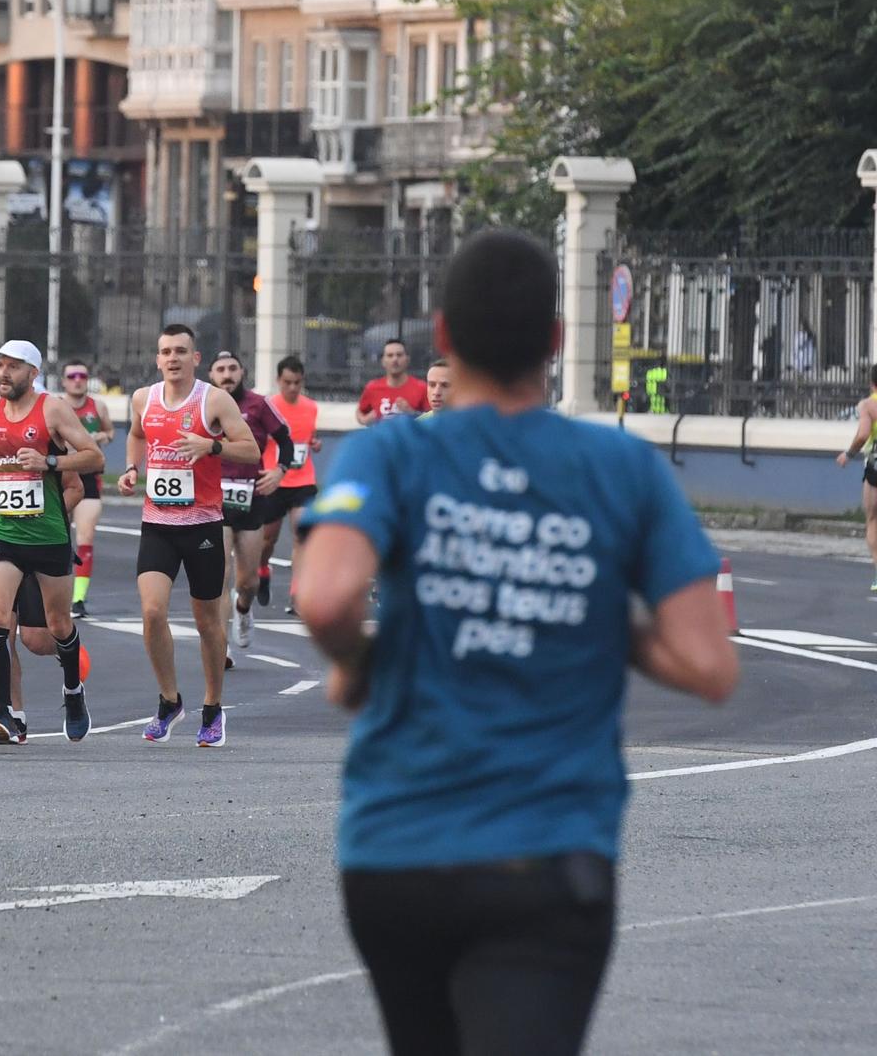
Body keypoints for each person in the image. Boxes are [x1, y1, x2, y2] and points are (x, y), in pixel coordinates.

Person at [299, 230, 738, 1056]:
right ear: (559, 340)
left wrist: (360, 660)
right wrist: (602, 609)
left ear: (444, 337)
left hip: (396, 852)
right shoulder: (622, 467)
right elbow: (711, 665)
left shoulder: (389, 451)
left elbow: (323, 597)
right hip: (548, 854)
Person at [0, 339, 105, 744]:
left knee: (56, 626)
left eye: (13, 367)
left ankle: (73, 692)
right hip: (3, 532)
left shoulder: (52, 409)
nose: (2, 373)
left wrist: (50, 462)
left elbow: (94, 458)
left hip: (48, 534)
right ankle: (5, 713)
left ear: (33, 373)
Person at [119, 327, 259, 747]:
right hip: (158, 524)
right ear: (157, 358)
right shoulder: (144, 399)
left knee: (207, 623)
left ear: (196, 357)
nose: (173, 358)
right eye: (166, 351)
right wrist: (130, 468)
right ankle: (169, 700)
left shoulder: (213, 400)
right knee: (152, 611)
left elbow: (250, 450)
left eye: (181, 351)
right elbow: (137, 434)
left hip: (202, 525)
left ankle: (213, 708)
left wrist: (211, 446)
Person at [209, 351, 294, 651]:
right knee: (220, 576)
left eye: (233, 368)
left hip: (251, 499)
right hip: (214, 501)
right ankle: (222, 648)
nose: (227, 374)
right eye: (220, 369)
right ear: (211, 375)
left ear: (243, 372)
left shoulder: (258, 404)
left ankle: (243, 609)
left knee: (247, 583)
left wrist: (279, 472)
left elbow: (286, 440)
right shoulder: (203, 404)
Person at [260, 355, 321, 611]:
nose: (293, 388)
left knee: (302, 536)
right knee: (268, 539)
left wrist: (315, 444)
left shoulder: (311, 407)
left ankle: (298, 593)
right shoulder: (269, 407)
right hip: (274, 480)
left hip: (303, 480)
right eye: (287, 382)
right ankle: (262, 570)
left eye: (297, 382)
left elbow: (308, 438)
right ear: (278, 381)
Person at [61, 359, 114, 618]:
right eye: (72, 376)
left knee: (85, 538)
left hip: (90, 479)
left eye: (82, 375)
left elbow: (110, 432)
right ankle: (51, 593)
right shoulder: (56, 407)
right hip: (60, 478)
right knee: (55, 536)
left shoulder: (98, 406)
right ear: (64, 382)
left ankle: (78, 598)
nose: (77, 380)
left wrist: (100, 437)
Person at [836, 366, 877, 591]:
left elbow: (863, 434)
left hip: (874, 467)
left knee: (872, 519)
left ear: (872, 383)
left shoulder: (868, 405)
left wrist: (848, 454)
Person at [357, 338, 430, 423]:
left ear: (407, 359)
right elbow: (360, 411)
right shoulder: (372, 387)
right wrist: (364, 420)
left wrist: (411, 413)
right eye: (390, 355)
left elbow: (433, 419)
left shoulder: (421, 387)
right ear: (383, 361)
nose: (395, 359)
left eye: (399, 355)